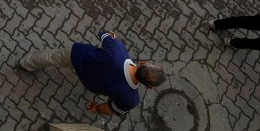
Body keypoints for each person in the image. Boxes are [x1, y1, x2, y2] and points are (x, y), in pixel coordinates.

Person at [16, 30, 165, 117]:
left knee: (51, 57)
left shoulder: (118, 50)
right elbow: (109, 109)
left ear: (143, 63)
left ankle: (24, 64)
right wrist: (96, 108)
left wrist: (112, 35)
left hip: (78, 56)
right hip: (90, 82)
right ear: (149, 87)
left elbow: (103, 33)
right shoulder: (131, 100)